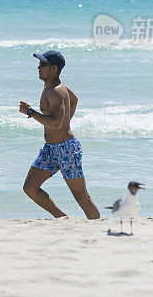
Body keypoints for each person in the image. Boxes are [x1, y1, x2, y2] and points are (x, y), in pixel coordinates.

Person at [19, 50, 100, 219]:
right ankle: (62, 218)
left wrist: (30, 112)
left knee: (81, 196)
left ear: (53, 69)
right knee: (30, 188)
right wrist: (66, 122)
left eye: (42, 65)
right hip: (50, 149)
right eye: (39, 64)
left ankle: (98, 227)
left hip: (66, 149)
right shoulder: (53, 86)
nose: (38, 68)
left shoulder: (55, 91)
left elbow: (55, 123)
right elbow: (74, 100)